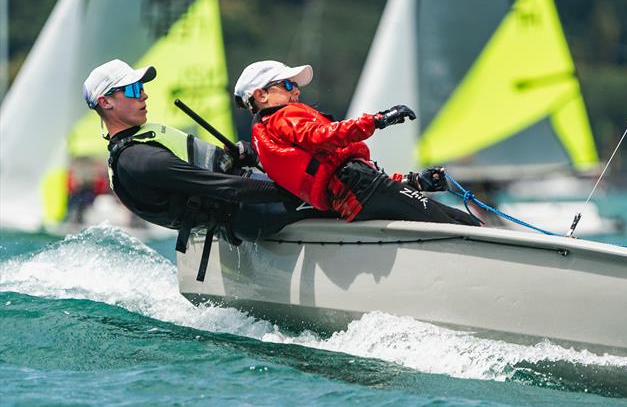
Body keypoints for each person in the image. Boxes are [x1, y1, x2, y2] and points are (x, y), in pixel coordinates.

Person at [83, 59, 330, 279]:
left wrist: (243, 152)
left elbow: (218, 165)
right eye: (133, 90)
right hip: (249, 212)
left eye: (142, 88)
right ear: (105, 102)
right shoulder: (138, 160)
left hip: (248, 198)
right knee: (339, 197)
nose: (144, 95)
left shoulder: (144, 139)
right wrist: (298, 191)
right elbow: (224, 186)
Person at [234, 60, 479, 226]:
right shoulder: (282, 116)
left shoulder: (267, 134)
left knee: (459, 221)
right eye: (288, 84)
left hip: (356, 195)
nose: (296, 91)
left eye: (296, 85)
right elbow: (324, 136)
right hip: (361, 188)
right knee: (464, 225)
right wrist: (377, 120)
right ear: (261, 95)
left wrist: (412, 182)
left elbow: (347, 172)